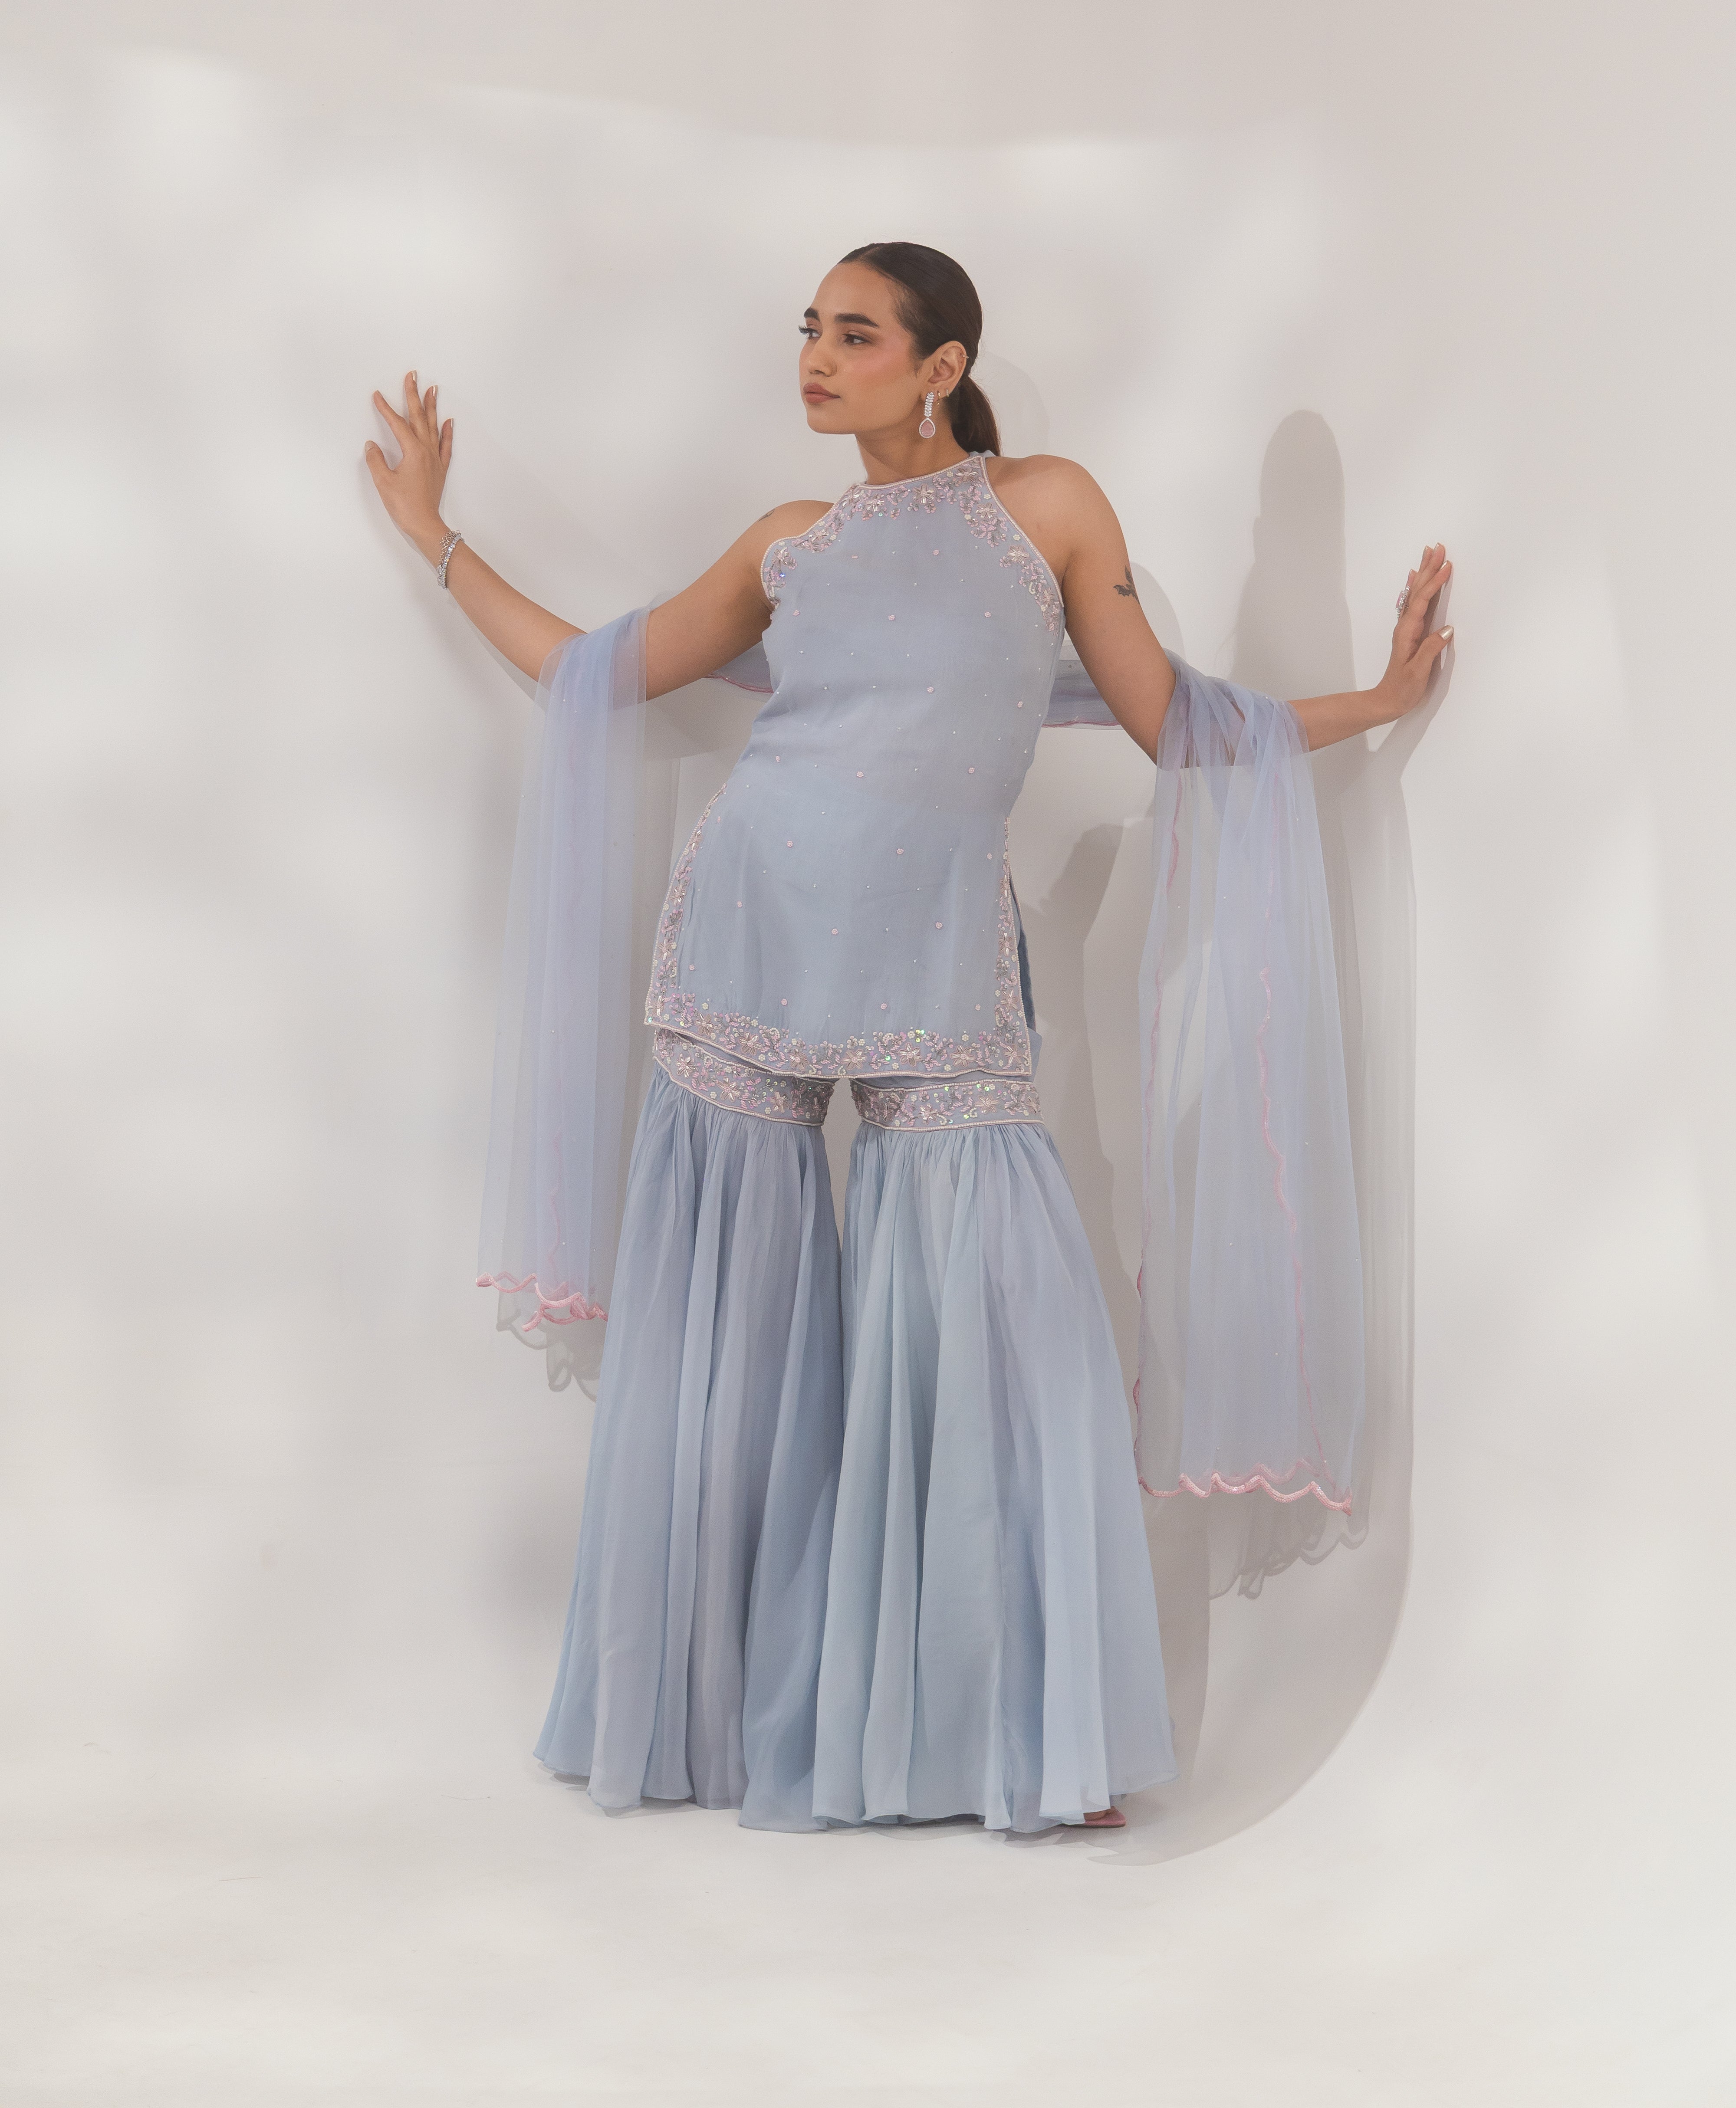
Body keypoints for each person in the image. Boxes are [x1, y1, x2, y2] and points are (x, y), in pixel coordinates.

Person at [365, 241, 1451, 1835]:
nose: (817, 355)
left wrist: (1372, 703)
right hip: (747, 934)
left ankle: (1020, 1740)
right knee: (723, 1355)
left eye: (856, 334)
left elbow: (1175, 719)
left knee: (1012, 1338)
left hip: (935, 960)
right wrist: (436, 539)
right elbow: (595, 672)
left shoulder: (1048, 508)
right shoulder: (789, 542)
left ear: (943, 368)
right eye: (811, 329)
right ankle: (702, 1721)